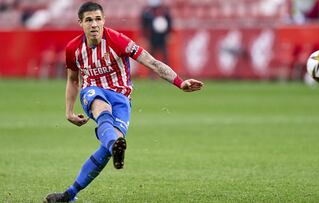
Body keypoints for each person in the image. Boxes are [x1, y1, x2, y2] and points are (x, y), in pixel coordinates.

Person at [43, 2, 203, 203]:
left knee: (108, 148)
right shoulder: (74, 48)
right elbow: (73, 80)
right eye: (89, 20)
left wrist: (180, 82)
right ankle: (114, 144)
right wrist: (68, 111)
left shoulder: (118, 41)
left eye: (98, 19)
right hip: (92, 93)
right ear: (80, 23)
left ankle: (69, 195)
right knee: (102, 108)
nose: (94, 24)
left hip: (121, 98)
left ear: (104, 20)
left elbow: (152, 62)